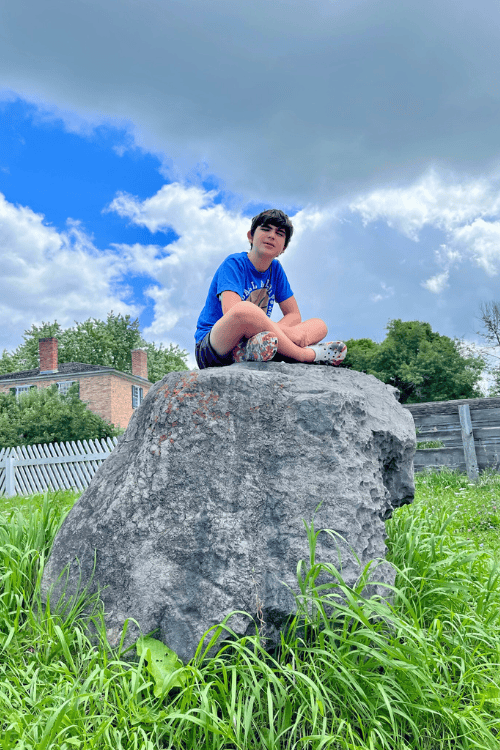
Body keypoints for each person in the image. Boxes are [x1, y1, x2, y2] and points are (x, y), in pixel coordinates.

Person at [194, 208, 347, 369]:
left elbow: (294, 314)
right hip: (215, 347)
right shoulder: (234, 264)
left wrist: (276, 333)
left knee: (318, 325)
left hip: (260, 339)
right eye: (266, 229)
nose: (272, 235)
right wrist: (287, 333)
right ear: (250, 236)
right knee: (245, 310)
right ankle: (303, 355)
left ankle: (252, 350)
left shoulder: (276, 269)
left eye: (279, 233)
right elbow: (233, 312)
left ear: (283, 248)